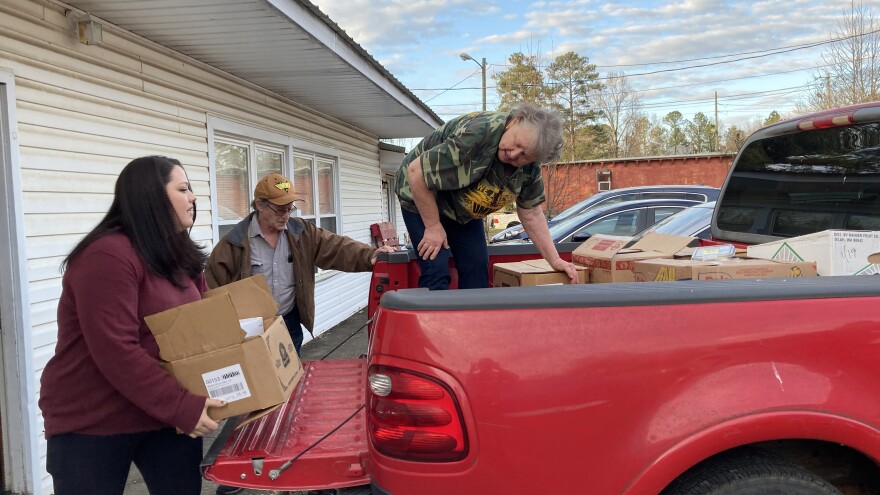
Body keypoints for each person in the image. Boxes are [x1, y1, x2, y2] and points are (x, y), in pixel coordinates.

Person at [38, 156, 226, 495]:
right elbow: (116, 349)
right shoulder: (108, 255)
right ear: (151, 197)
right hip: (94, 419)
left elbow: (203, 325)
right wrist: (183, 406)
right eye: (183, 189)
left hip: (163, 415)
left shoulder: (177, 253)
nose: (193, 197)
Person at [395, 102, 580, 290]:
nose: (514, 154)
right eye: (516, 144)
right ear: (514, 122)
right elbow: (416, 172)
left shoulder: (530, 169)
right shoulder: (478, 133)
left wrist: (555, 260)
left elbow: (531, 214)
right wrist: (433, 227)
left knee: (476, 267)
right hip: (420, 194)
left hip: (462, 209)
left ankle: (471, 319)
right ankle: (431, 318)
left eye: (524, 155)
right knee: (436, 268)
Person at [205, 172, 393, 356]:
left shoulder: (301, 232)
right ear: (260, 205)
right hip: (251, 331)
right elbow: (211, 290)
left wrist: (369, 256)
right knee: (259, 383)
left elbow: (336, 247)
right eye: (280, 209)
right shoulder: (233, 243)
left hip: (289, 323)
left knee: (292, 382)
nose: (286, 215)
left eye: (290, 208)